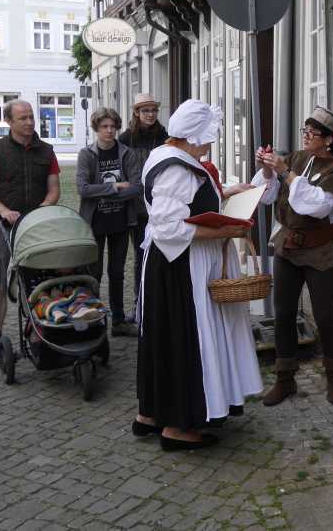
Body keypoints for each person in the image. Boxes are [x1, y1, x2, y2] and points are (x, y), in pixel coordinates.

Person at [133, 99, 262, 451]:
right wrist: (227, 232)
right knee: (185, 340)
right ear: (191, 136)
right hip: (181, 269)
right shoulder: (177, 168)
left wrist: (223, 194)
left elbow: (188, 205)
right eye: (206, 139)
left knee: (165, 338)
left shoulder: (168, 156)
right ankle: (177, 428)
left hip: (174, 266)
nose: (208, 145)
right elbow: (169, 227)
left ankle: (151, 414)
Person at [254, 106, 333, 406]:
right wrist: (267, 169)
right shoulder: (300, 158)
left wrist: (284, 172)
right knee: (284, 313)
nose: (305, 137)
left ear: (328, 140)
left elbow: (314, 205)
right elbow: (268, 194)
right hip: (288, 246)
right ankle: (284, 379)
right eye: (304, 131)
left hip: (321, 251)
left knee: (326, 316)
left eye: (311, 134)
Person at [0, 100, 60, 363]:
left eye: (31, 117)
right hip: (3, 228)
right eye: (23, 118)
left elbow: (54, 189)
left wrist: (44, 207)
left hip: (37, 228)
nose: (29, 122)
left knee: (40, 280)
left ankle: (40, 332)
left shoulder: (46, 151)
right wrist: (3, 211)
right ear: (10, 122)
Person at [76, 108, 142, 336]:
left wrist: (103, 192)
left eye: (113, 126)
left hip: (121, 222)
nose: (109, 130)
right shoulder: (87, 154)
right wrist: (114, 187)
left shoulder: (126, 153)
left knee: (117, 273)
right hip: (94, 223)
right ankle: (93, 320)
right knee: (93, 274)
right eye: (104, 126)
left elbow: (136, 187)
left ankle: (119, 321)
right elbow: (83, 189)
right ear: (96, 128)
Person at [118, 93, 168, 306]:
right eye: (145, 110)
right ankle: (141, 300)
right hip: (137, 206)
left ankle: (161, 298)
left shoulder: (165, 135)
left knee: (164, 252)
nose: (150, 114)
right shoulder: (125, 139)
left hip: (162, 202)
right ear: (136, 113)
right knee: (141, 255)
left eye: (153, 110)